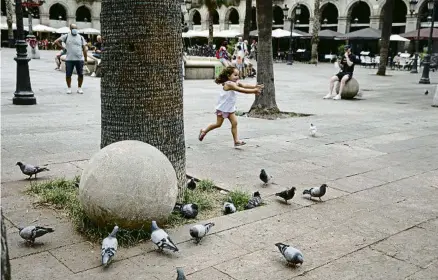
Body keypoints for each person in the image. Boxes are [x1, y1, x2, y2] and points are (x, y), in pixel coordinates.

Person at [198, 66, 263, 147]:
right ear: (228, 76)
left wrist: (254, 87)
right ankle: (204, 130)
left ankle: (236, 141)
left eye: (238, 75)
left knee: (234, 123)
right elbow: (241, 90)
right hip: (222, 109)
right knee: (218, 124)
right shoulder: (229, 84)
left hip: (230, 109)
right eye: (235, 75)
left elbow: (244, 85)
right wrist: (254, 91)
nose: (237, 77)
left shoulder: (235, 83)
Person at [54, 23, 88, 94]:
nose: (74, 30)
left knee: (80, 74)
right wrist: (63, 48)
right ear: (70, 29)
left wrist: (85, 58)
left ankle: (79, 88)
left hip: (79, 59)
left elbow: (84, 48)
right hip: (69, 59)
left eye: (76, 28)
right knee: (68, 74)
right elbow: (56, 41)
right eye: (73, 28)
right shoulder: (66, 36)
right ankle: (69, 88)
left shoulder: (81, 37)